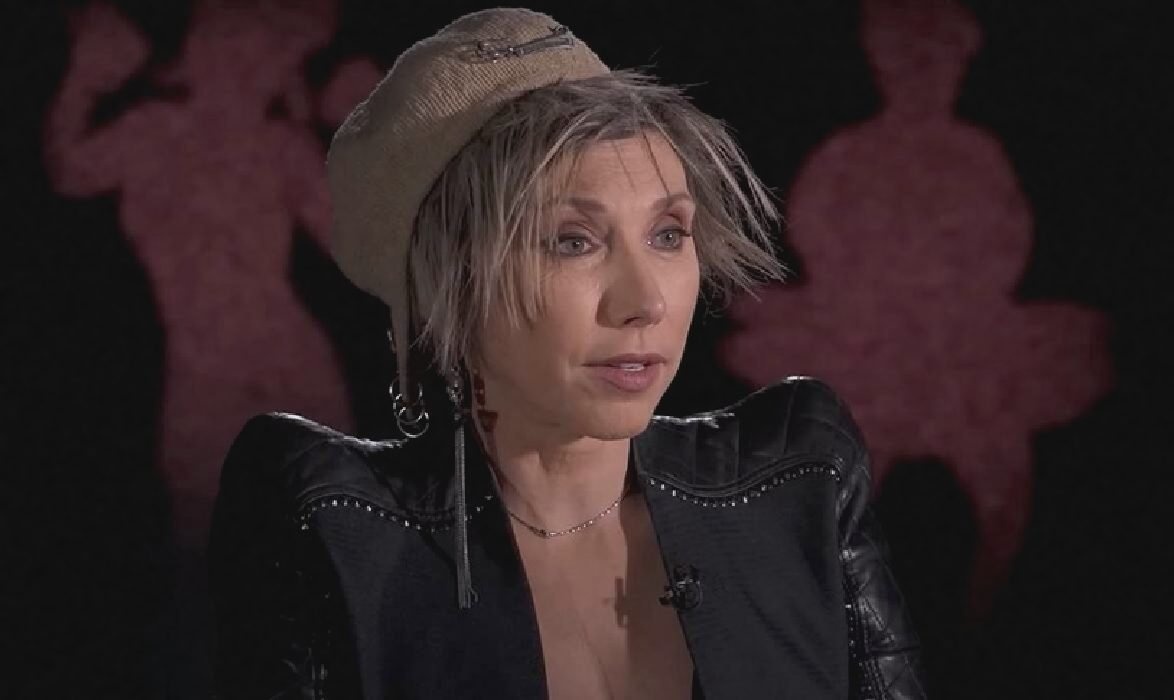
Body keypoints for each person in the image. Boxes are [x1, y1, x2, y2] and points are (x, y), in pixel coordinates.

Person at [208, 8, 926, 699]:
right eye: (572, 241)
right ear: (449, 279)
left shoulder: (800, 480)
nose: (645, 302)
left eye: (668, 234)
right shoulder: (335, 525)